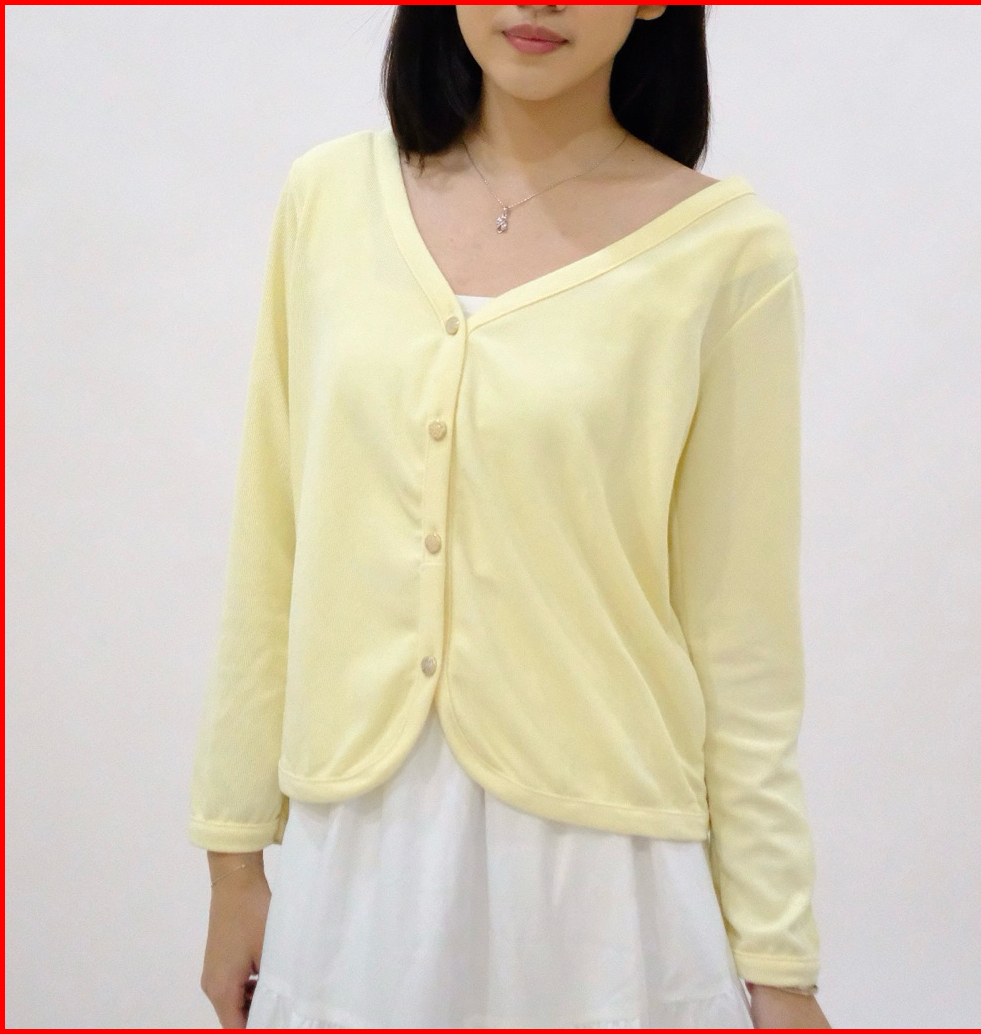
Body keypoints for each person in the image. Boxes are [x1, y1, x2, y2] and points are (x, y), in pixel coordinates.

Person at [189, 5, 832, 1029]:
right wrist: (234, 859)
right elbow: (272, 541)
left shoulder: (727, 254)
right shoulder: (328, 199)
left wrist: (779, 961)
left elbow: (740, 638)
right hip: (360, 864)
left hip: (601, 883)